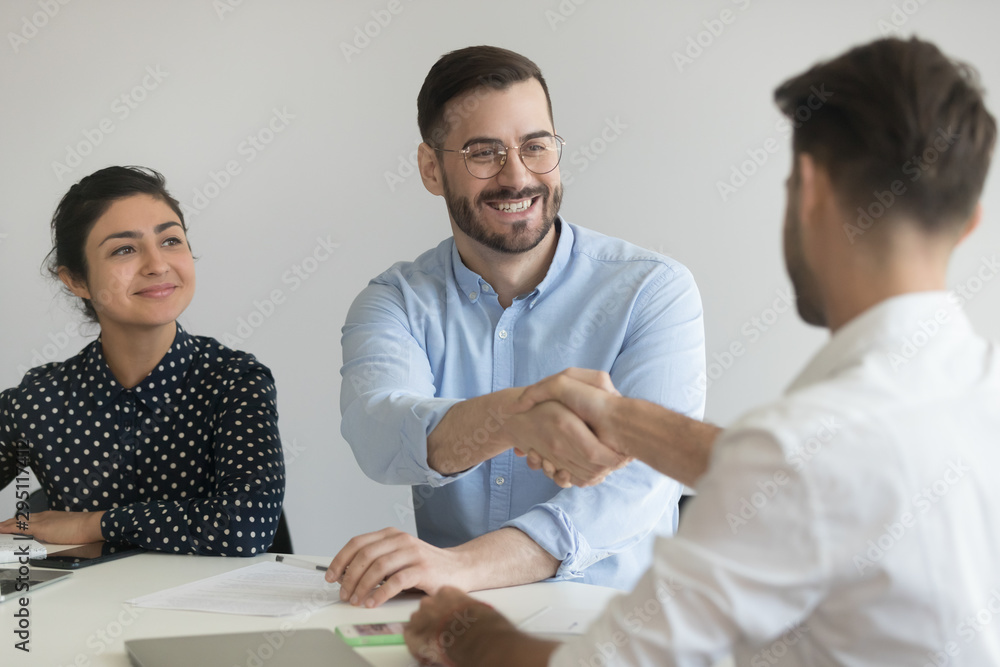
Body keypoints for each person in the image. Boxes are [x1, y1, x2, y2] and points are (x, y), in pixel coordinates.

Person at [404, 37, 1000, 666]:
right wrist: (620, 418)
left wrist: (462, 628)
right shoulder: (973, 395)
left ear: (813, 191)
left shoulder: (797, 452)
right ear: (968, 223)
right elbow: (820, 478)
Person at [332, 45, 705, 606]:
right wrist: (516, 418)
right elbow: (379, 435)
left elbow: (641, 484)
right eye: (484, 153)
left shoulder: (652, 290)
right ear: (432, 169)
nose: (517, 176)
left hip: (617, 627)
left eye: (536, 147)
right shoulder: (395, 301)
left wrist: (464, 566)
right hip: (458, 628)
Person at [0, 166, 285, 556]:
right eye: (124, 249)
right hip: (80, 613)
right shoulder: (39, 400)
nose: (157, 264)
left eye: (170, 240)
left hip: (212, 615)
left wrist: (90, 524)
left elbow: (244, 529)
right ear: (76, 280)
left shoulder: (234, 381)